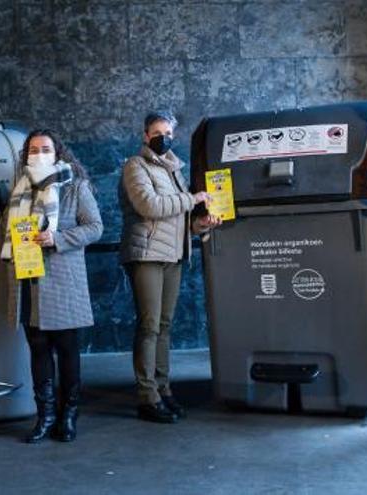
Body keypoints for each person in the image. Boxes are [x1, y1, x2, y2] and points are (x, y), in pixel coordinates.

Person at [0, 129, 103, 443]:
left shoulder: (76, 187)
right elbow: (6, 228)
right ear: (25, 153)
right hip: (27, 278)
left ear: (57, 152)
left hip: (63, 280)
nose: (39, 153)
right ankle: (45, 416)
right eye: (33, 149)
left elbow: (95, 227)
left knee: (67, 350)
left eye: (45, 148)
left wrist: (58, 239)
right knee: (39, 349)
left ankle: (69, 415)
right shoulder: (20, 189)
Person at [119, 111, 221, 424]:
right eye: (157, 132)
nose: (164, 137)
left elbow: (177, 218)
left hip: (175, 254)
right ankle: (146, 396)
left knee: (164, 325)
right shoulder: (135, 165)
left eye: (168, 132)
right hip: (146, 254)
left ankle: (164, 390)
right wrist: (193, 199)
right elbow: (149, 206)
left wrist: (200, 224)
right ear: (145, 136)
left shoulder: (175, 169)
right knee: (149, 326)